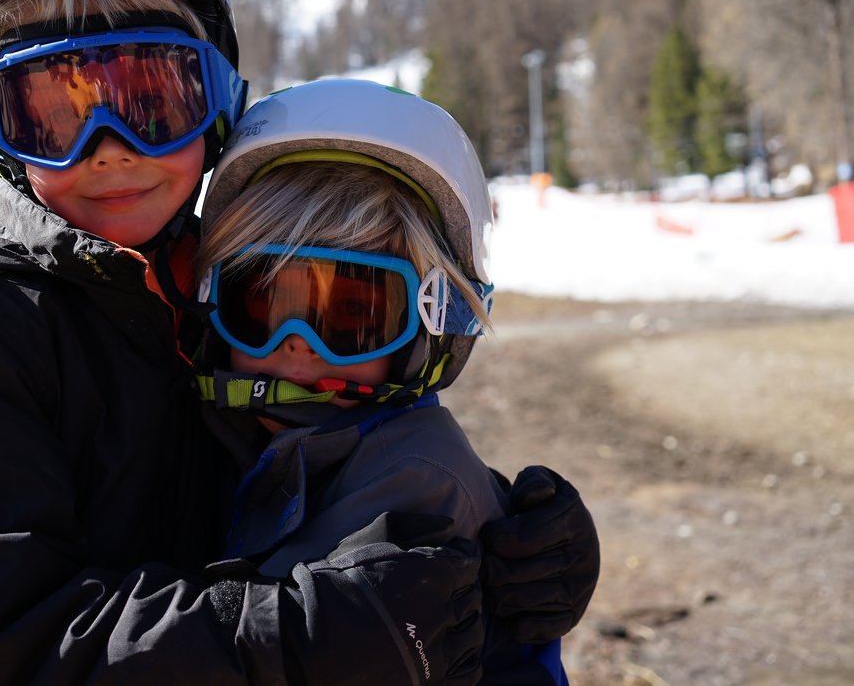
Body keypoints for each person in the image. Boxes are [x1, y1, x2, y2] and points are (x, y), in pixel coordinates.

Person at [0, 0, 597, 684]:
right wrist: (299, 642)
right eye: (54, 114)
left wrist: (499, 547)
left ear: (213, 103)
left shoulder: (212, 280)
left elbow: (305, 451)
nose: (109, 147)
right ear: (0, 138)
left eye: (151, 102)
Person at [193, 79, 571, 684]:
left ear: (431, 325)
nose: (296, 343)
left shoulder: (414, 489)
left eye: (353, 314)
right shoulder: (230, 432)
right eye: (262, 302)